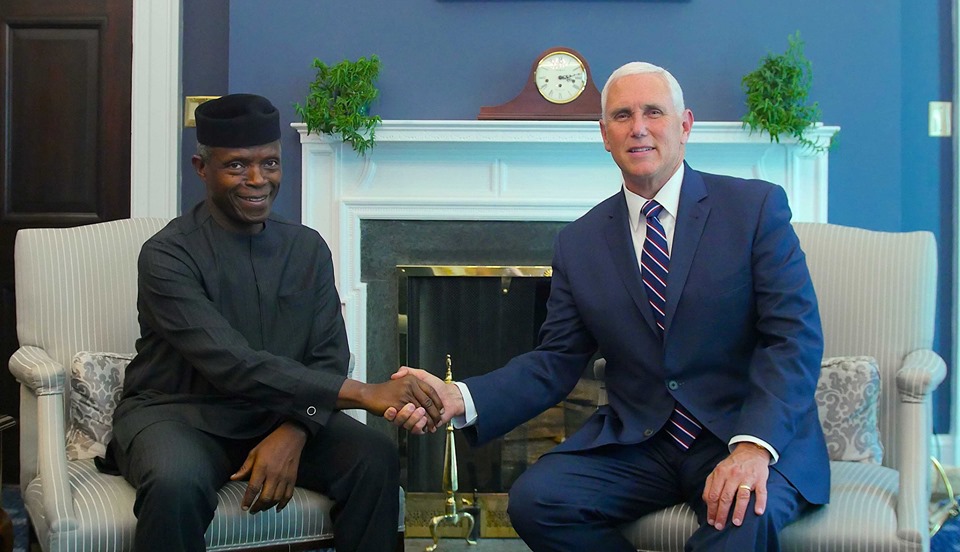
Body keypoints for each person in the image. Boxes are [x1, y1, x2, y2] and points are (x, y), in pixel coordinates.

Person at [387, 62, 829, 551]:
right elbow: (554, 362)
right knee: (536, 501)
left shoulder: (754, 209)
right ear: (604, 134)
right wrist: (460, 397)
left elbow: (793, 338)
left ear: (685, 126)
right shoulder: (580, 243)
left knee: (744, 517)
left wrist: (752, 446)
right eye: (622, 115)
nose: (638, 127)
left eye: (653, 112)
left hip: (742, 431)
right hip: (644, 442)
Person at [98, 93, 442, 552]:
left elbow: (328, 355)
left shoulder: (307, 248)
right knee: (174, 482)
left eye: (271, 164)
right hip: (179, 416)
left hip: (278, 414)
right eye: (237, 166)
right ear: (202, 168)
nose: (257, 180)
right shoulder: (167, 255)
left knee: (374, 457)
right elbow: (231, 362)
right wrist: (364, 392)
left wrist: (296, 431)